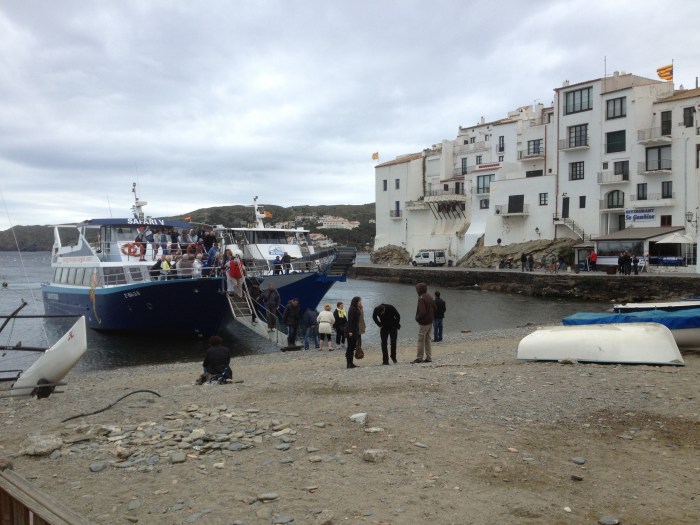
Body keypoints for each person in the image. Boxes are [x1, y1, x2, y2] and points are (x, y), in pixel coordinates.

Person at [412, 282, 436, 364]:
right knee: (428, 340)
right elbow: (435, 308)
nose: (416, 291)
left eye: (417, 289)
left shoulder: (421, 298)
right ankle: (429, 357)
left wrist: (417, 318)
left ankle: (419, 358)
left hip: (424, 323)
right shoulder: (430, 296)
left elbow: (422, 311)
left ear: (420, 290)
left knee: (421, 340)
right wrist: (431, 316)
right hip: (430, 322)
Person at [344, 296, 362, 369]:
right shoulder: (352, 309)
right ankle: (349, 363)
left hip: (355, 330)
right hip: (351, 330)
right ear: (356, 301)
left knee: (352, 347)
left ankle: (351, 363)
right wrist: (350, 331)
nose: (360, 302)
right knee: (350, 347)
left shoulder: (356, 308)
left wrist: (360, 307)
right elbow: (350, 321)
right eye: (359, 301)